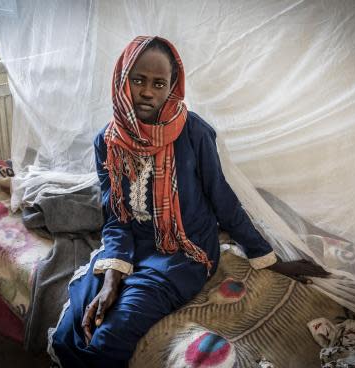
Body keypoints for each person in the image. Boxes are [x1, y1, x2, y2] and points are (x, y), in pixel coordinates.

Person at [49, 35, 328, 368]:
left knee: (109, 336)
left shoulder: (194, 133)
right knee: (72, 329)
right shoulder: (107, 141)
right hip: (129, 247)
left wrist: (268, 259)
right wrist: (112, 277)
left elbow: (224, 202)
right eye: (138, 80)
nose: (148, 91)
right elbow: (115, 218)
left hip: (181, 253)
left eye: (159, 83)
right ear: (122, 81)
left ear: (173, 87)